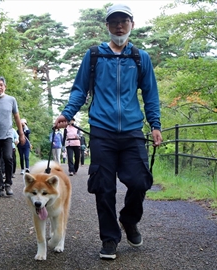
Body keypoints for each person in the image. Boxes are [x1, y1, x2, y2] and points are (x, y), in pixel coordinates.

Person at [54, 3, 162, 260]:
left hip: (133, 131)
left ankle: (129, 219)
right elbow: (79, 89)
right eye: (114, 21)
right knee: (103, 188)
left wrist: (155, 125)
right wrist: (67, 113)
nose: (119, 25)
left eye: (124, 20)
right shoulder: (94, 55)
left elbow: (150, 94)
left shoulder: (139, 57)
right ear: (107, 26)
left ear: (131, 24)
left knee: (140, 181)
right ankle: (109, 239)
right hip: (102, 131)